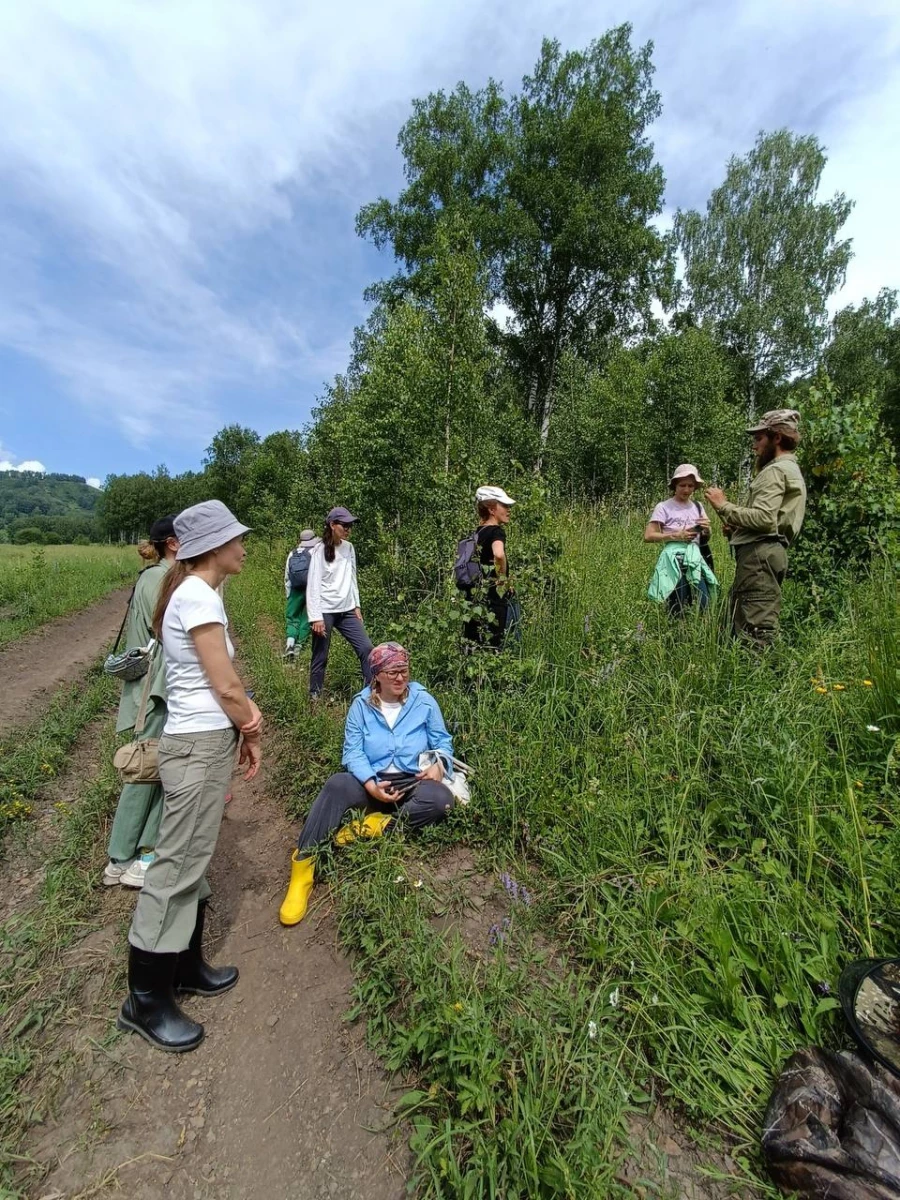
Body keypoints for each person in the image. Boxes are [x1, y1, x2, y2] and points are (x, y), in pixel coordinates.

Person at [117, 500, 263, 1053]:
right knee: (175, 866)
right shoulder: (198, 595)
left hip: (202, 741)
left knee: (192, 858)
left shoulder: (196, 591)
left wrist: (240, 722)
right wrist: (251, 724)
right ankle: (145, 1000)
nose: (243, 547)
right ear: (214, 547)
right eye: (236, 539)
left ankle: (185, 966)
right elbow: (224, 684)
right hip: (199, 744)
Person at [279, 642, 455, 926]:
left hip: (412, 780)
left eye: (404, 670)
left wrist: (440, 765)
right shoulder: (361, 705)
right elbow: (353, 752)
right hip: (373, 780)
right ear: (377, 675)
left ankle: (377, 825)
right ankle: (303, 872)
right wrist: (371, 785)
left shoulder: (423, 701)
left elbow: (443, 742)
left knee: (441, 800)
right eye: (392, 672)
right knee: (336, 785)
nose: (400, 677)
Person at [104, 517, 179, 889]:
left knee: (158, 766)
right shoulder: (160, 579)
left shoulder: (156, 576)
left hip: (155, 686)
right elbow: (166, 630)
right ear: (173, 543)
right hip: (155, 689)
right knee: (146, 767)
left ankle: (143, 850)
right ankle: (123, 856)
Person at [705, 409, 807, 646]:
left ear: (777, 438)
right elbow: (773, 520)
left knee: (755, 634)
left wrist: (723, 505)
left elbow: (764, 519)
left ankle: (762, 670)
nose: (754, 445)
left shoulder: (775, 471)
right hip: (765, 554)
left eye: (759, 438)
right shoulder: (790, 469)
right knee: (740, 624)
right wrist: (738, 530)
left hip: (759, 558)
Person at [306, 506, 373, 699]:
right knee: (321, 655)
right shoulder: (319, 550)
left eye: (350, 525)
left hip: (347, 610)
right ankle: (315, 696)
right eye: (344, 525)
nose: (348, 529)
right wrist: (316, 617)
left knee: (366, 648)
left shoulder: (349, 547)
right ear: (332, 525)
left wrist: (356, 605)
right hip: (325, 611)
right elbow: (313, 584)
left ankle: (370, 695)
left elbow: (352, 577)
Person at [644, 465, 715, 616]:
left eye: (690, 486)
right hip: (673, 559)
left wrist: (706, 530)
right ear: (675, 485)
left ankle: (701, 627)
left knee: (704, 602)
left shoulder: (698, 506)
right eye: (682, 485)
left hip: (695, 558)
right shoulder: (663, 507)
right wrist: (675, 536)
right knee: (677, 603)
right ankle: (675, 628)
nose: (686, 490)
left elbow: (705, 537)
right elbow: (649, 536)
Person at [461, 485, 518, 648]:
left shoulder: (474, 535)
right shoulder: (496, 532)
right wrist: (502, 579)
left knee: (473, 647)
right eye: (504, 505)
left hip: (474, 601)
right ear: (492, 509)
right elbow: (498, 554)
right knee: (496, 647)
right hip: (494, 602)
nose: (508, 510)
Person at [282, 528, 320, 663]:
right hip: (311, 591)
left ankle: (290, 644)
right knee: (307, 617)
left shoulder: (292, 553)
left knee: (292, 618)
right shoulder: (315, 552)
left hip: (295, 590)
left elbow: (287, 576)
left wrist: (288, 594)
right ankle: (299, 646)